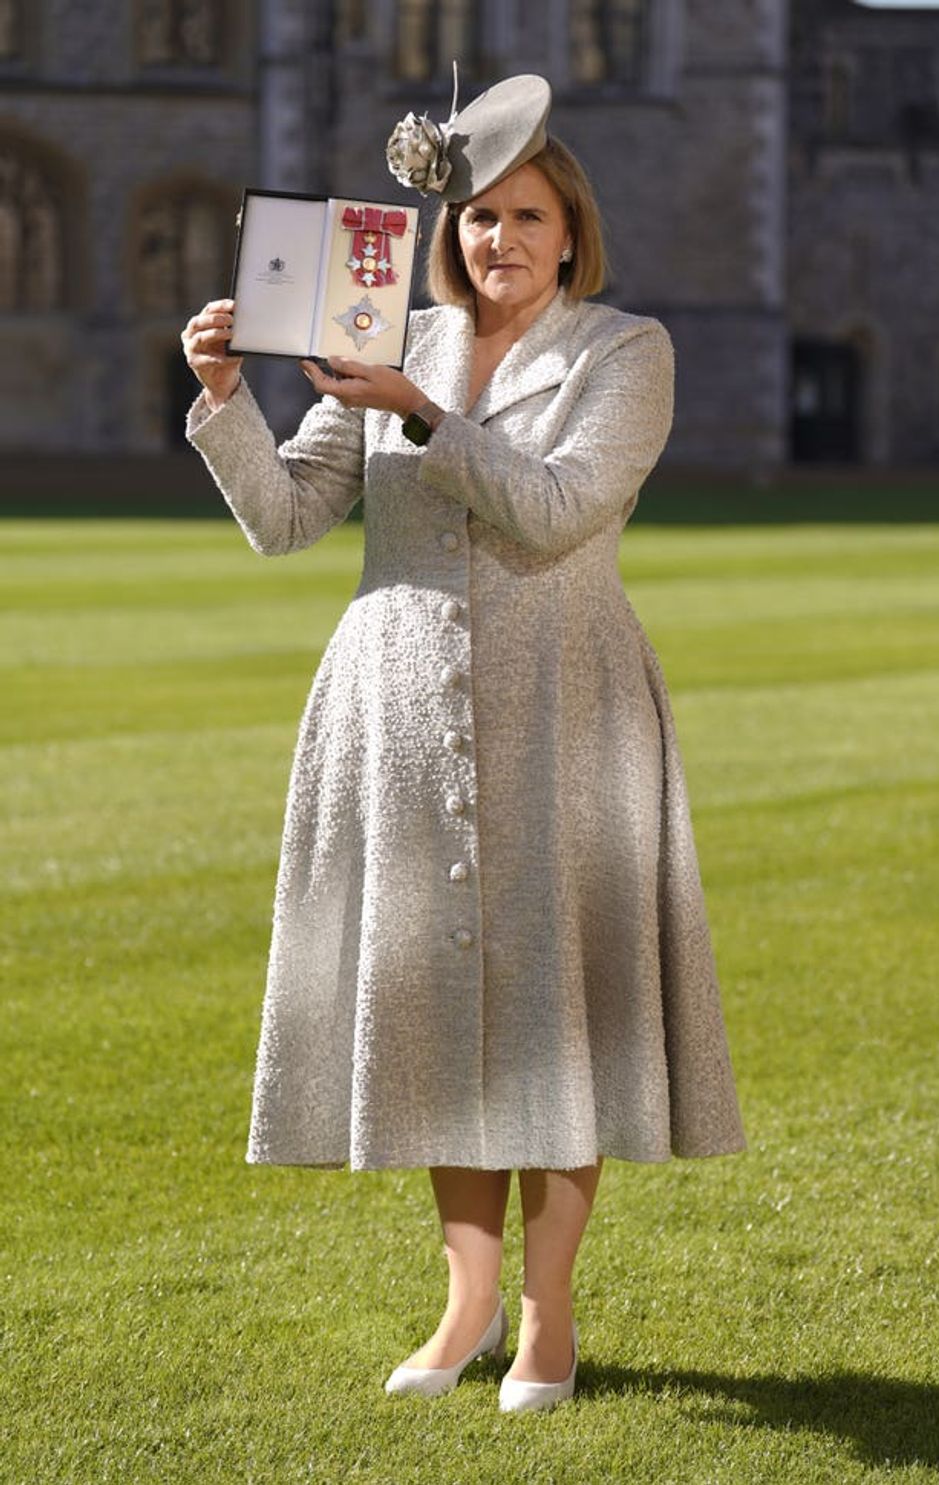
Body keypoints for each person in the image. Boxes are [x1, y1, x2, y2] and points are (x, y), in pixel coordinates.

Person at [181, 73, 746, 1414]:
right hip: (397, 703)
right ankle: (468, 1303)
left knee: (558, 1013)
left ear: (572, 232)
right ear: (454, 231)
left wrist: (426, 416)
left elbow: (557, 513)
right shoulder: (391, 335)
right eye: (481, 219)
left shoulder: (627, 351)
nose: (498, 241)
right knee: (442, 1015)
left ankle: (548, 1317)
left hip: (566, 700)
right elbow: (287, 516)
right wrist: (222, 399)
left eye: (527, 219)